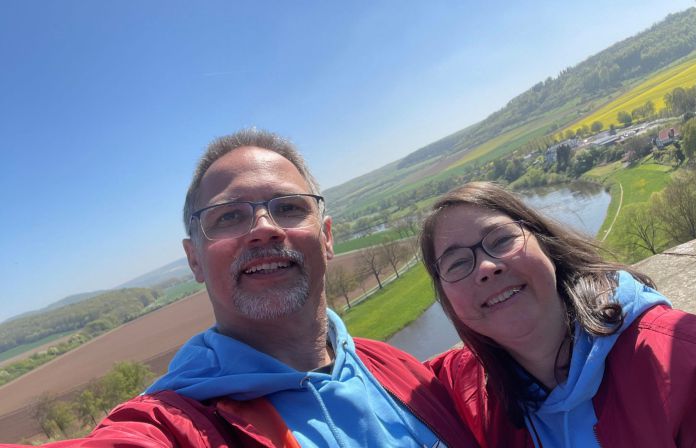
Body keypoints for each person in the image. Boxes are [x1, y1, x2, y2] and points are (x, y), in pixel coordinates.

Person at [8, 129, 479, 448]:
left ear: (328, 236)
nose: (263, 228)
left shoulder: (391, 368)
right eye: (229, 216)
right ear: (194, 258)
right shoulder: (179, 424)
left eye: (290, 207)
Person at [420, 181, 696, 448]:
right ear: (448, 299)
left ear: (544, 243)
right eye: (456, 264)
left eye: (501, 239)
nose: (486, 266)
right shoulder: (478, 391)